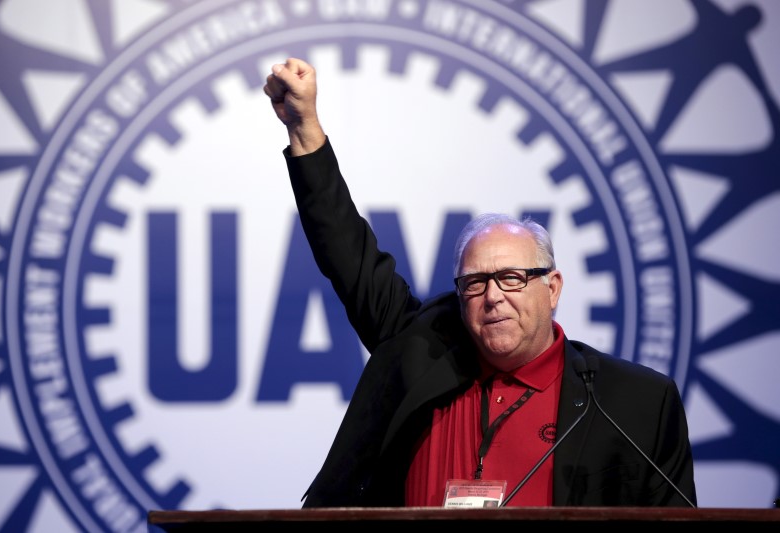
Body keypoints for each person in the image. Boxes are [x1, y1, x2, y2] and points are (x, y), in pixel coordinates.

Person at [263, 57, 697, 508]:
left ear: (552, 288)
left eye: (511, 278)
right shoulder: (420, 352)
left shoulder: (631, 402)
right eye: (475, 283)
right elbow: (346, 252)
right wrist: (304, 128)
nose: (493, 297)